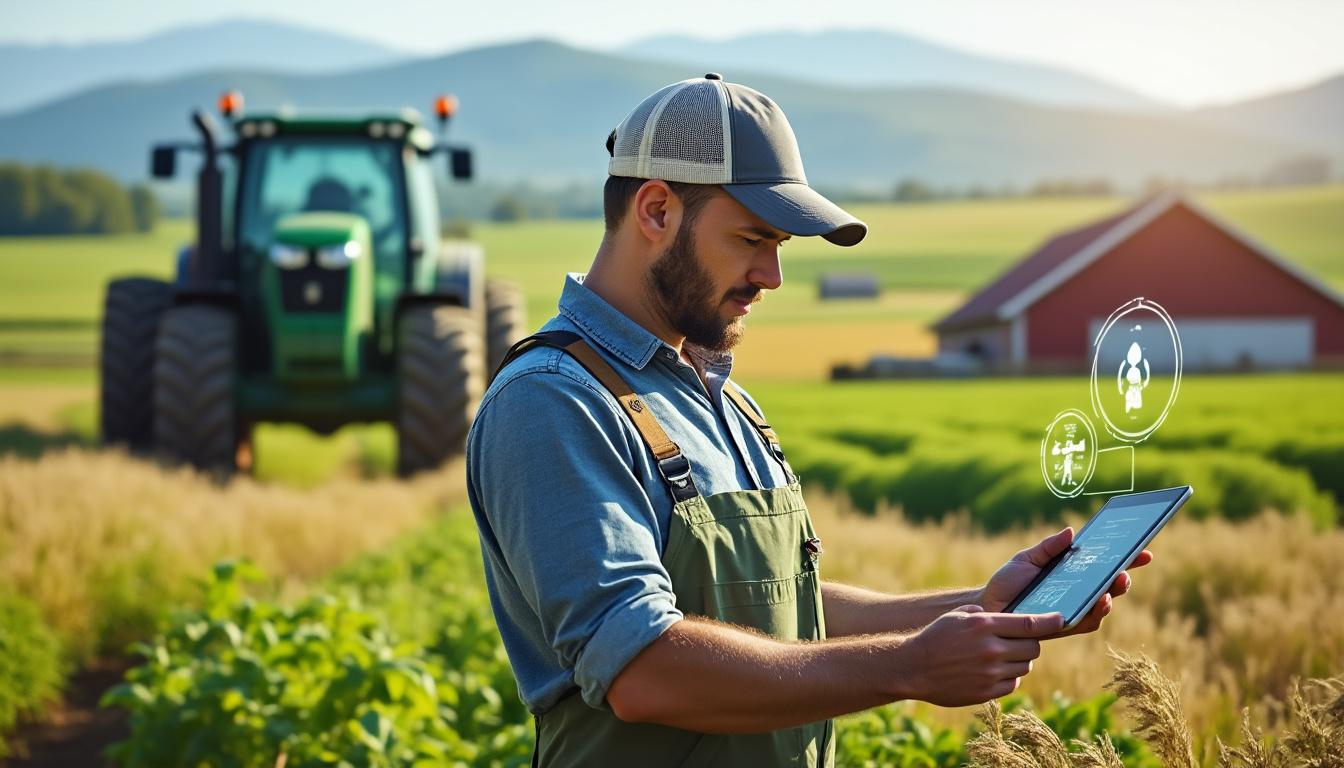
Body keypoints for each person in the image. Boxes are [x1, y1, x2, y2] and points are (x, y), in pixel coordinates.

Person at [465, 74, 1152, 768]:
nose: (772, 275)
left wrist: (982, 604)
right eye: (751, 239)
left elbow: (783, 608)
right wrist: (907, 668)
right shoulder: (555, 401)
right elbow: (642, 670)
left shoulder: (725, 401)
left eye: (781, 247)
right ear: (656, 211)